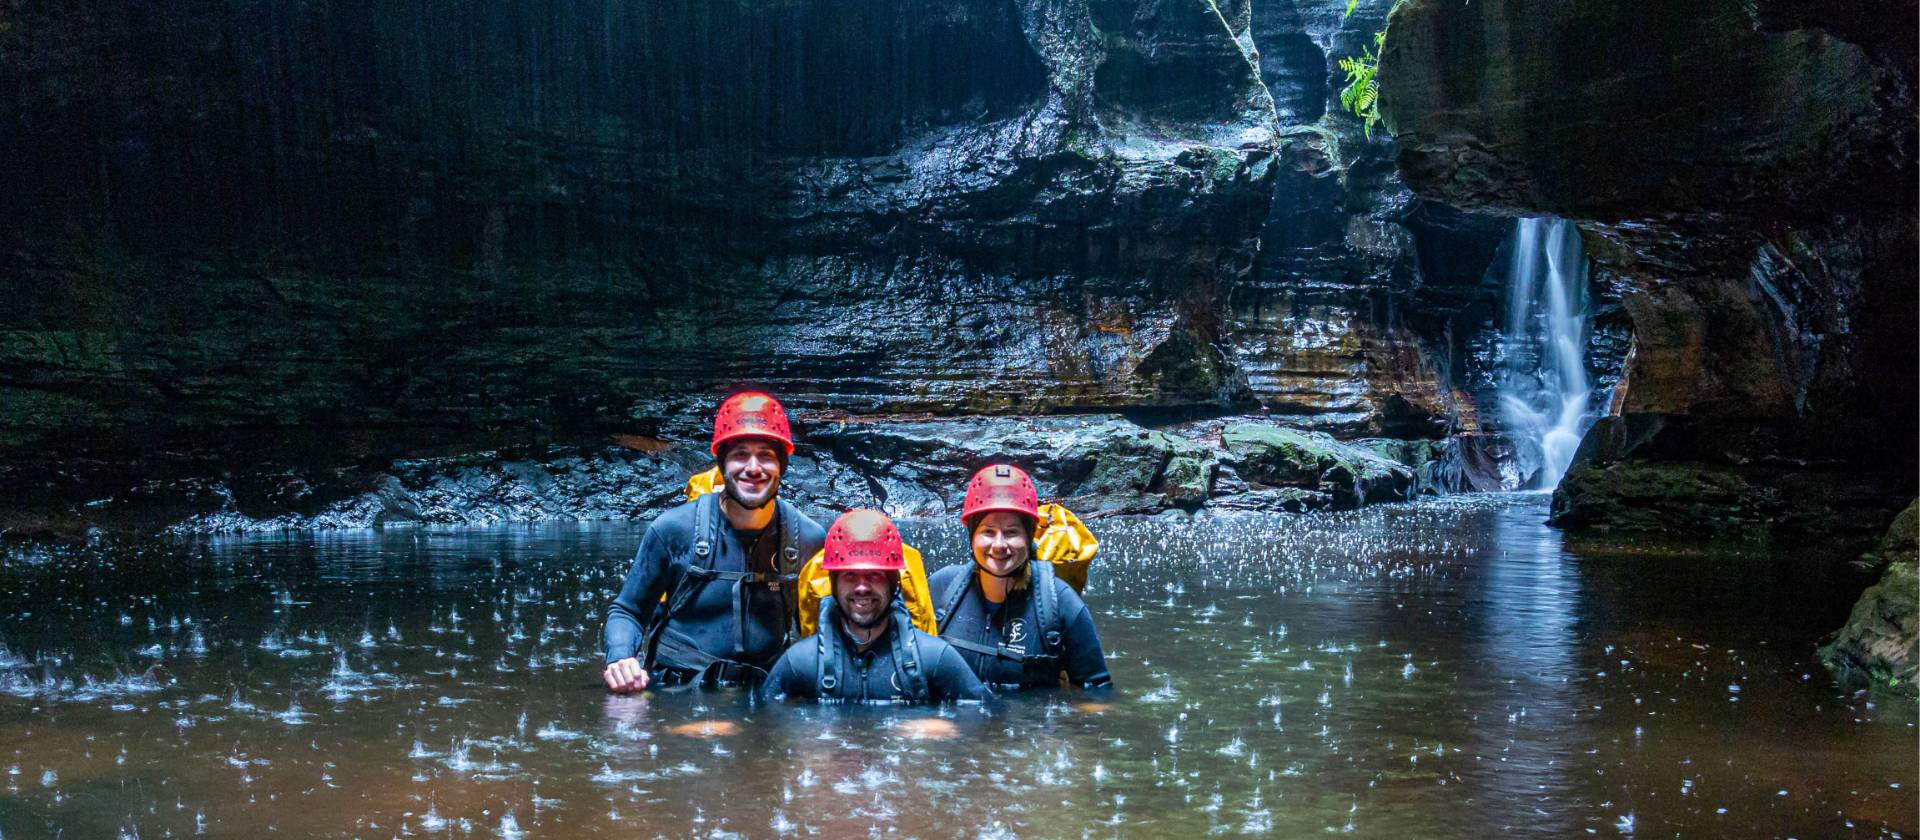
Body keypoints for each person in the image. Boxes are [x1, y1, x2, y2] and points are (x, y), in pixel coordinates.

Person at [602, 392, 827, 691]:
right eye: (740, 454)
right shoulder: (673, 530)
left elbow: (821, 631)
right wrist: (620, 659)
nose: (753, 467)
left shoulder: (809, 539)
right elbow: (628, 611)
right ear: (721, 463)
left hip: (763, 694)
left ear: (783, 465)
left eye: (766, 456)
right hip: (678, 692)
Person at [762, 509, 990, 704]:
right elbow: (766, 724)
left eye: (875, 575)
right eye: (850, 575)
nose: (862, 587)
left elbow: (988, 717)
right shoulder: (801, 663)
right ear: (833, 583)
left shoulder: (934, 658)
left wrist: (941, 728)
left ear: (894, 583)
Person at [928, 464, 1112, 690]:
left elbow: (1096, 694)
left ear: (1029, 536)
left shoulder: (1061, 602)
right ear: (972, 535)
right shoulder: (941, 588)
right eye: (988, 531)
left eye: (1012, 532)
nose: (999, 545)